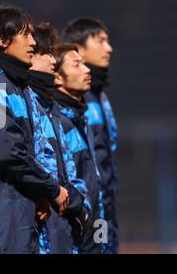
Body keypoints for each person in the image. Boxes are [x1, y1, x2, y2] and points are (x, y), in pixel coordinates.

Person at [0, 5, 69, 253]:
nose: (34, 42)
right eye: (26, 35)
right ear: (2, 40)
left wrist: (39, 192)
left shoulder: (15, 84)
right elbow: (5, 149)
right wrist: (49, 187)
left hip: (20, 207)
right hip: (3, 209)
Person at [29, 22, 91, 253]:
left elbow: (79, 174)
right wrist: (74, 203)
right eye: (46, 53)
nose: (52, 61)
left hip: (66, 227)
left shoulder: (56, 113)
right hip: (50, 226)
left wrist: (81, 205)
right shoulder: (33, 108)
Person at [62, 18, 118, 253]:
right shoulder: (73, 101)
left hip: (106, 208)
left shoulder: (100, 97)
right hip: (85, 210)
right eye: (101, 41)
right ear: (80, 48)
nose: (109, 48)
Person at [53, 43, 106, 253]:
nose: (86, 70)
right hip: (72, 236)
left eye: (84, 64)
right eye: (77, 65)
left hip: (92, 230)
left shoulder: (79, 118)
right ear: (57, 77)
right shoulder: (58, 123)